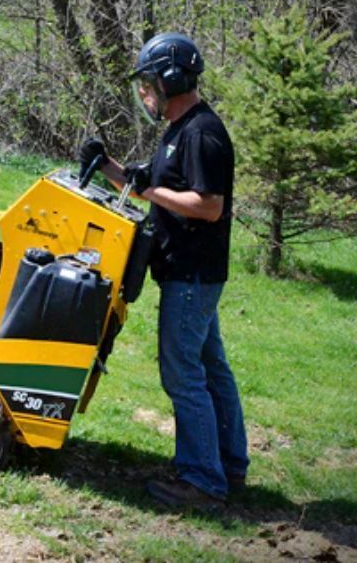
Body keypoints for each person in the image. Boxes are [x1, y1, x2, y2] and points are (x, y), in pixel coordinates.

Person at [80, 32, 249, 509]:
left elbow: (207, 205)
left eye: (149, 84)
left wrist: (150, 193)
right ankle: (229, 465)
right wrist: (110, 166)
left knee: (182, 375)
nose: (145, 93)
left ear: (171, 80)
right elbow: (156, 182)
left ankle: (202, 481)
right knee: (211, 369)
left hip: (191, 276)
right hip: (191, 273)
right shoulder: (180, 129)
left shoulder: (202, 133)